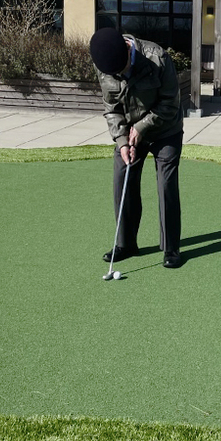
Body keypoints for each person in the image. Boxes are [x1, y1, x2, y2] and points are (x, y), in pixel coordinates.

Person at [89, 27, 184, 269]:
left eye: (121, 70)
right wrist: (121, 141)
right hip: (129, 131)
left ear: (128, 49)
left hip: (165, 129)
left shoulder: (157, 57)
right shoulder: (104, 65)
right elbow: (111, 108)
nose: (118, 75)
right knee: (123, 176)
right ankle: (126, 244)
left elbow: (170, 103)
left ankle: (171, 247)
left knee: (166, 184)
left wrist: (142, 128)